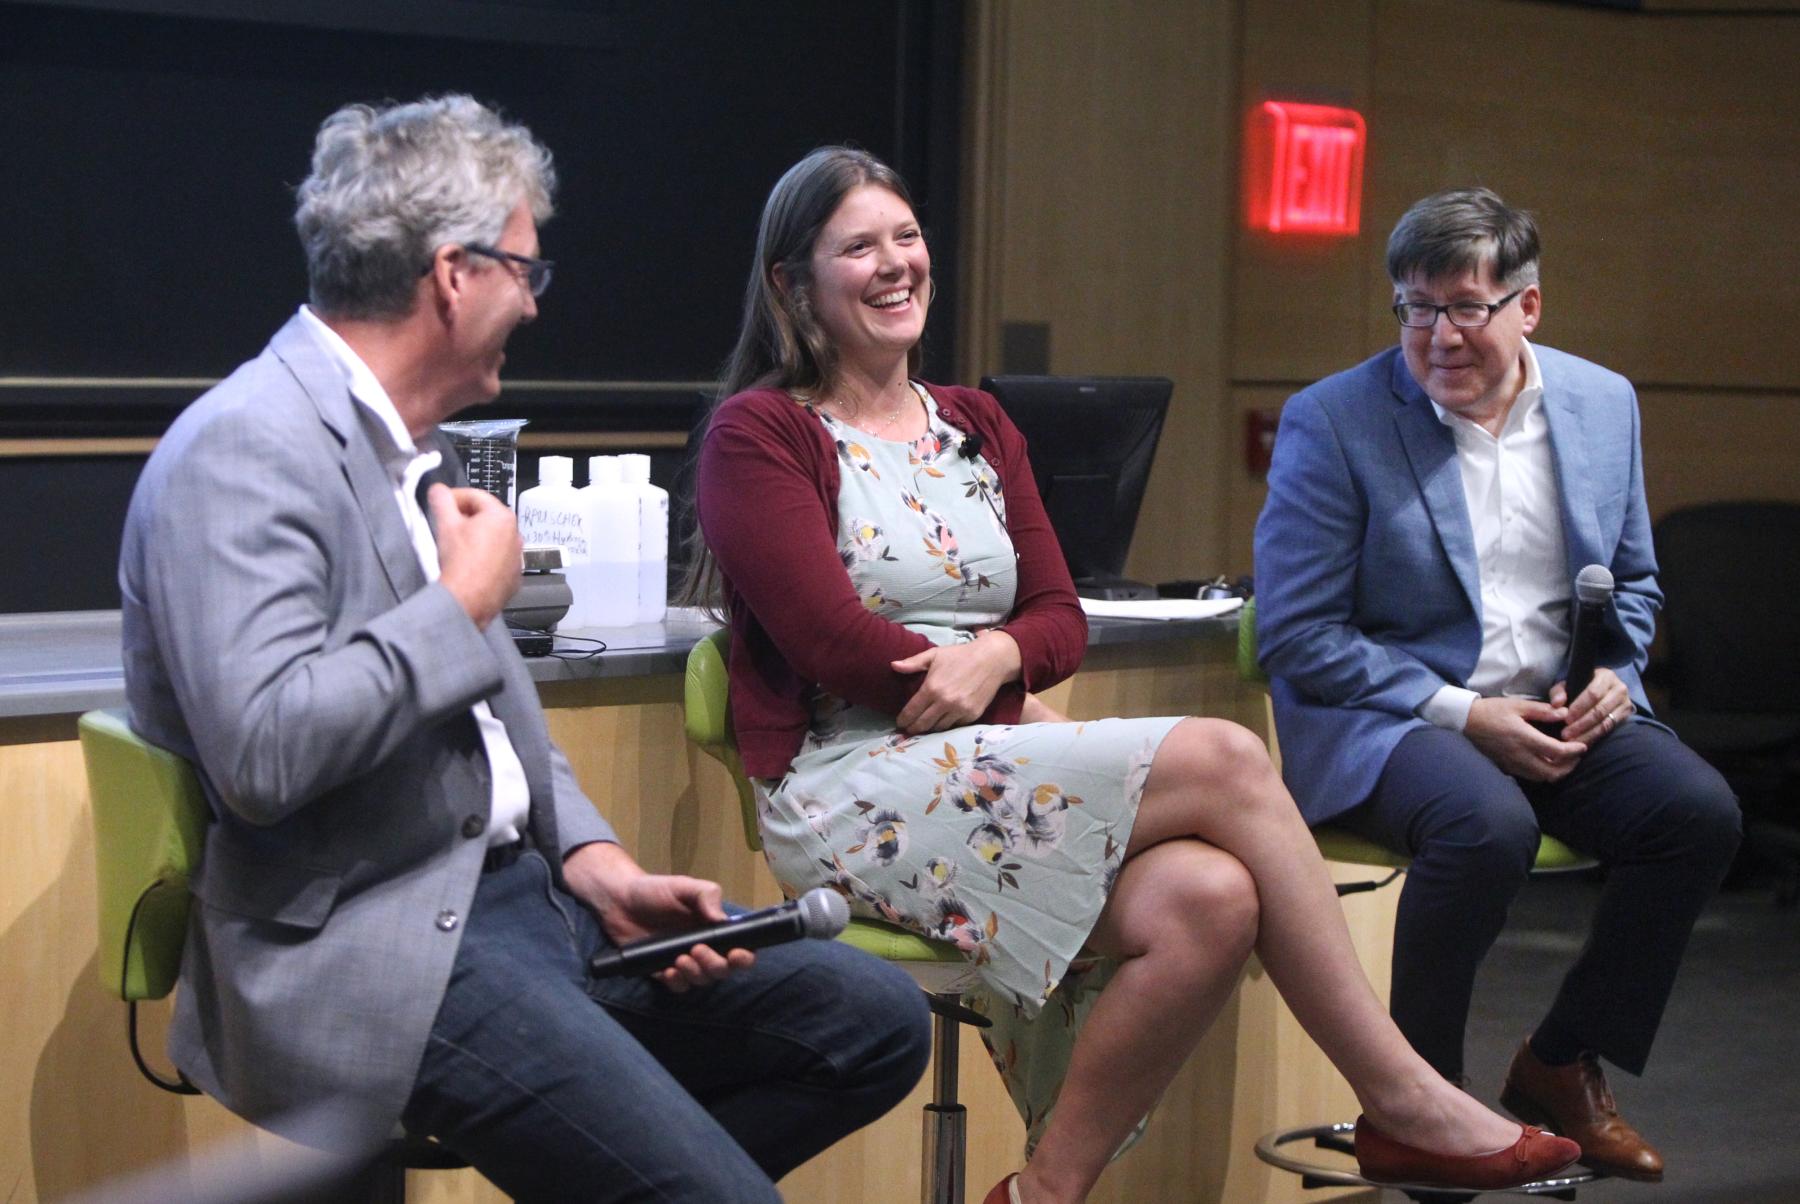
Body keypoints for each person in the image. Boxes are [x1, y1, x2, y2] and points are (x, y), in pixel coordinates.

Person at [684, 147, 1578, 1204]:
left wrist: (1001, 655)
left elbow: (1062, 616)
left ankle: (1039, 1193)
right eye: (859, 246)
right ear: (793, 284)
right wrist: (1000, 678)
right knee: (1226, 754)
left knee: (1210, 896)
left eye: (907, 236)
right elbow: (835, 644)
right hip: (849, 782)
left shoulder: (976, 421)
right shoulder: (760, 432)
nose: (896, 263)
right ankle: (1402, 1098)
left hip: (980, 757)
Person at [119, 96, 931, 1202]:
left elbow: (494, 726)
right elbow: (264, 756)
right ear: (455, 275)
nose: (534, 306)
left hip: (527, 902)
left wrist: (596, 861)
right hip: (381, 947)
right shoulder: (246, 450)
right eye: (525, 272)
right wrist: (456, 604)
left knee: (871, 1023)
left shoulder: (405, 441)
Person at [1254, 186, 1742, 1183]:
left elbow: (1634, 581)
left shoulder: (1601, 403)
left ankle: (1562, 1063)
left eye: (1463, 307)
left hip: (1558, 707)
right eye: (1414, 306)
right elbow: (1299, 635)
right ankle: (1418, 1104)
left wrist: (1616, 668)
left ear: (1528, 306)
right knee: (1487, 827)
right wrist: (1464, 713)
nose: (1435, 335)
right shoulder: (1335, 421)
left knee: (1697, 812)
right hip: (1396, 716)